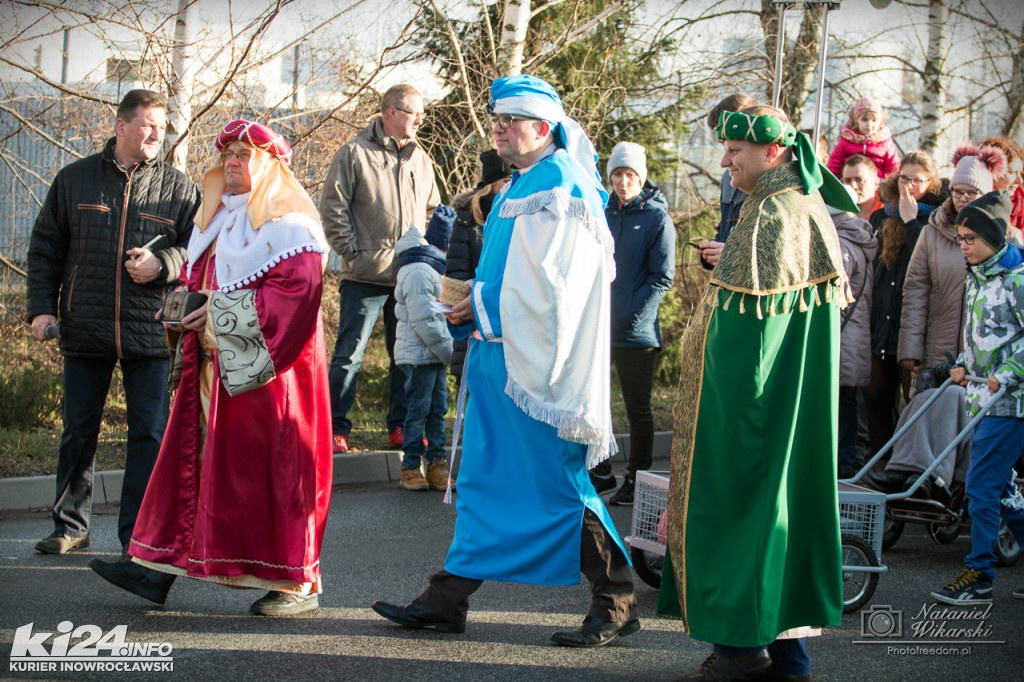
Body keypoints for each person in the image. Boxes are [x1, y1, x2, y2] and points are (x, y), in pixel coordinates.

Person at [371, 74, 638, 648]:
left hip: (536, 371)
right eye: (495, 120)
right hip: (506, 359)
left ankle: (616, 599)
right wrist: (475, 298)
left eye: (509, 121)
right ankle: (446, 599)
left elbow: (554, 290)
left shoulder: (560, 186)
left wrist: (480, 303)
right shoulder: (528, 179)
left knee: (559, 486)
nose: (497, 128)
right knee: (491, 486)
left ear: (542, 128)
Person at [88, 119, 333, 617]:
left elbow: (295, 300)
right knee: (191, 464)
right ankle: (156, 566)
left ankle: (295, 582)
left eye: (245, 155)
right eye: (229, 156)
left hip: (271, 379)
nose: (234, 163)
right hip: (212, 364)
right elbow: (205, 279)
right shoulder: (221, 218)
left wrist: (215, 314)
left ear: (269, 164)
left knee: (271, 476)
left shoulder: (292, 225)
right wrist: (182, 307)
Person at [661, 105, 854, 681]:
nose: (724, 162)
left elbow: (751, 340)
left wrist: (718, 410)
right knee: (777, 514)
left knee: (747, 511)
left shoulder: (774, 212)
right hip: (781, 410)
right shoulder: (794, 204)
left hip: (752, 412)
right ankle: (778, 658)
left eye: (734, 152)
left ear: (772, 152)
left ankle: (744, 654)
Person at [25, 89, 200, 555]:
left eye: (162, 127)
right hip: (86, 327)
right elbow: (46, 248)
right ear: (121, 125)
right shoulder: (75, 180)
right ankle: (70, 526)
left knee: (148, 434)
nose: (156, 134)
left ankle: (137, 536)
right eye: (147, 124)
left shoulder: (181, 189)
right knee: (79, 429)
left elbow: (199, 253)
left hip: (151, 330)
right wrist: (41, 309)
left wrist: (162, 264)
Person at [320, 84, 440, 454]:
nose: (420, 120)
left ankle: (400, 428)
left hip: (409, 276)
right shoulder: (354, 153)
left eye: (421, 113)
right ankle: (335, 429)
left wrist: (428, 256)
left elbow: (434, 210)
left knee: (403, 355)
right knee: (349, 355)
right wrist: (349, 252)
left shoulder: (421, 159)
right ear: (390, 112)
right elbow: (332, 206)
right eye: (412, 112)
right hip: (364, 276)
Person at [931, 190, 1024, 605]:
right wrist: (963, 364)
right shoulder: (977, 275)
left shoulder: (1017, 280)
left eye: (970, 238)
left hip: (1010, 403)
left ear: (994, 237)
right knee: (1002, 491)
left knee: (981, 488)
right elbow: (980, 334)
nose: (963, 245)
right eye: (961, 237)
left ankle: (979, 574)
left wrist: (1007, 373)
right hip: (981, 398)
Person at [588, 141, 675, 504]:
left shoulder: (656, 218)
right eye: (618, 175)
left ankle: (637, 480)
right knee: (595, 403)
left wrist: (632, 314)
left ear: (642, 178)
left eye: (631, 175)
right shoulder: (601, 212)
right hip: (598, 329)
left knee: (637, 410)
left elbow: (662, 277)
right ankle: (601, 472)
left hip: (637, 334)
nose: (623, 182)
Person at [899, 146, 1006, 382]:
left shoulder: (1008, 239)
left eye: (972, 192)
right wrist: (910, 348)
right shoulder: (931, 233)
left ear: (986, 194)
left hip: (986, 356)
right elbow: (916, 291)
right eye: (958, 191)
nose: (963, 198)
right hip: (937, 349)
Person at [867, 150, 948, 455]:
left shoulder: (938, 218)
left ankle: (909, 465)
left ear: (932, 182)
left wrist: (912, 221)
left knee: (911, 398)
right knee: (875, 396)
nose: (909, 186)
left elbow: (931, 263)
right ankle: (878, 463)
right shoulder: (882, 213)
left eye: (917, 180)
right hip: (882, 318)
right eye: (904, 178)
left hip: (913, 324)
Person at [393, 206, 456, 491]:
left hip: (432, 355)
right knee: (418, 410)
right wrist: (450, 353)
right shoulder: (419, 272)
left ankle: (436, 464)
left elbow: (439, 312)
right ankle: (410, 466)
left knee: (437, 409)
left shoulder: (430, 269)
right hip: (420, 356)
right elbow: (425, 320)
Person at [446, 149, 512, 383]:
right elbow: (455, 274)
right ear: (491, 185)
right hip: (472, 327)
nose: (512, 186)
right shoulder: (466, 221)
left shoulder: (520, 217)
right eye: (506, 181)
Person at [831, 186, 877, 478]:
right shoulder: (854, 236)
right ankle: (845, 462)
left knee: (843, 406)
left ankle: (845, 467)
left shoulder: (841, 244)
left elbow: (834, 290)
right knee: (847, 403)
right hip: (853, 337)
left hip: (842, 337)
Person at [698, 93, 757, 270]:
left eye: (733, 147)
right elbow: (727, 228)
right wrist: (711, 250)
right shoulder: (728, 175)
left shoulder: (769, 183)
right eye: (723, 144)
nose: (725, 159)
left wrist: (732, 254)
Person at [826, 96, 900, 180]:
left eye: (874, 120)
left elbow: (893, 165)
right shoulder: (847, 139)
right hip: (851, 180)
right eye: (865, 120)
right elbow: (835, 162)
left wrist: (891, 183)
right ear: (857, 120)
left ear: (880, 122)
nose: (869, 124)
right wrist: (831, 180)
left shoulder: (884, 141)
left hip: (877, 181)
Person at [979, 135, 1024, 239]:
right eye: (1012, 172)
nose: (1020, 180)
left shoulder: (1021, 205)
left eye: (1020, 173)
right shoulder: (968, 203)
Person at [841, 154, 883, 219]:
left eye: (859, 180)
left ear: (876, 183)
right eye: (847, 180)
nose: (853, 186)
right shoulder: (835, 212)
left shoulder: (888, 213)